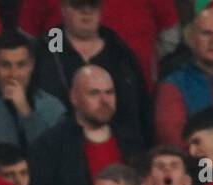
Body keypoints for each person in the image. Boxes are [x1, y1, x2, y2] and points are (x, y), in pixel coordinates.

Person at [27, 65, 139, 185]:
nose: (104, 100)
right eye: (94, 93)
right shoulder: (51, 145)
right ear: (74, 97)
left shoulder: (131, 141)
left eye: (109, 92)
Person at [33, 0, 150, 151]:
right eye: (78, 5)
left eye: (93, 5)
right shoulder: (50, 46)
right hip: (58, 150)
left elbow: (141, 110)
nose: (86, 11)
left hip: (120, 148)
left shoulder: (119, 50)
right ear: (63, 9)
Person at [0, 31, 68, 152]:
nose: (14, 74)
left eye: (21, 65)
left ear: (31, 66)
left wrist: (26, 111)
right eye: (6, 65)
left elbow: (53, 155)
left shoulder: (52, 107)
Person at [156, 7, 213, 148]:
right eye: (206, 33)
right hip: (198, 163)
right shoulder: (173, 84)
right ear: (192, 39)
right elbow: (173, 139)